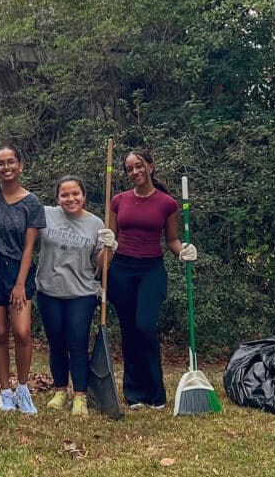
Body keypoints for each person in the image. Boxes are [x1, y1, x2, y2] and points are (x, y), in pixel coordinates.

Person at [100, 150, 197, 410]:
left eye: (139, 166)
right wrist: (108, 243)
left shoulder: (167, 203)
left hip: (151, 270)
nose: (135, 172)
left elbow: (172, 240)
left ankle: (155, 392)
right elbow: (111, 237)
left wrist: (183, 251)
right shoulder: (118, 201)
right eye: (129, 168)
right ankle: (134, 393)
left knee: (145, 326)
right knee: (129, 330)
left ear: (150, 167)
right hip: (122, 269)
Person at [0, 145, 46, 414]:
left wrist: (19, 283)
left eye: (11, 162)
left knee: (22, 332)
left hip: (18, 269)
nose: (6, 167)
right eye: (1, 163)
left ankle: (24, 389)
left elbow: (29, 247)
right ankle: (5, 390)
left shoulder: (32, 203)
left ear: (20, 165)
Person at [35, 176, 107, 417]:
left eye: (75, 193)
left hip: (82, 292)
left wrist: (110, 247)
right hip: (49, 290)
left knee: (77, 342)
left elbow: (101, 264)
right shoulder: (45, 214)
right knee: (56, 343)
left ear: (84, 196)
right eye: (64, 195)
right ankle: (60, 391)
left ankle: (80, 396)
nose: (70, 198)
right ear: (57, 198)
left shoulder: (95, 223)